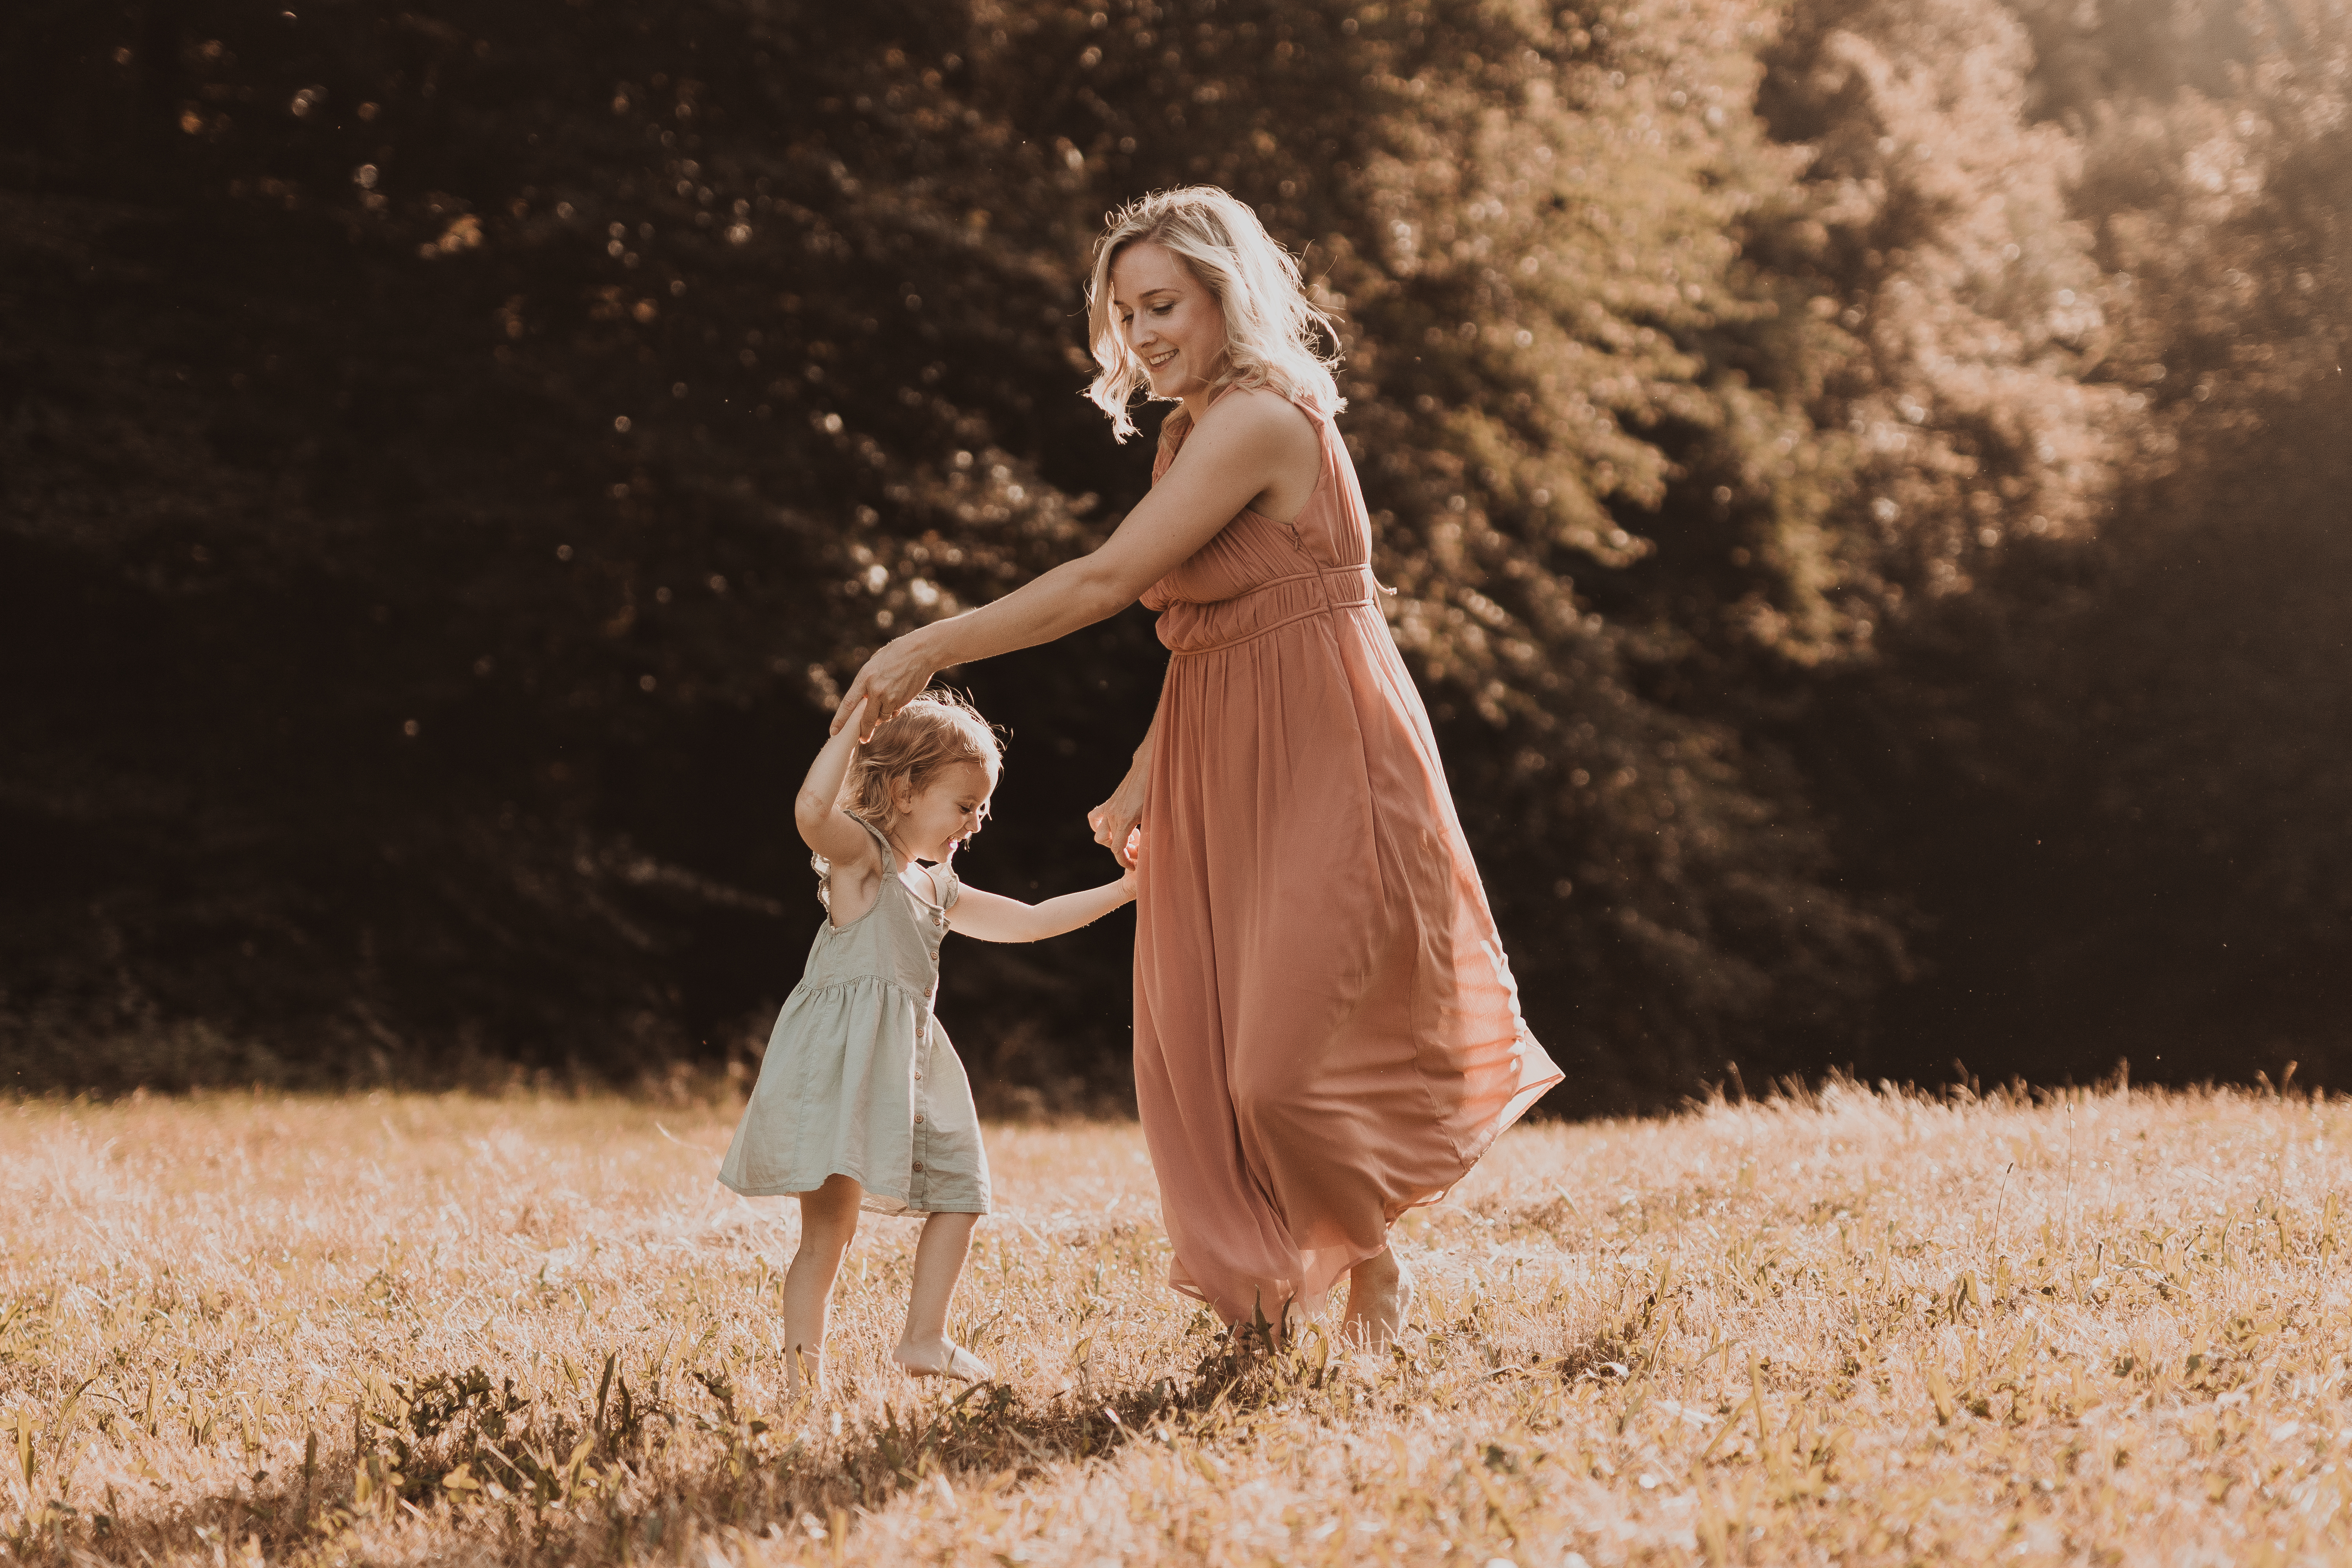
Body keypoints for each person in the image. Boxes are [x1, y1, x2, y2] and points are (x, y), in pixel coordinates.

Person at [832, 186, 1562, 1347]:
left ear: (1227, 294)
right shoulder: (1192, 428)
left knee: (1279, 1061)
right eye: (1124, 315)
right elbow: (1213, 627)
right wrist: (1147, 767)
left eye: (1161, 304)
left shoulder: (1264, 418)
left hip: (1327, 745)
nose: (1141, 335)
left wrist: (929, 642)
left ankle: (1367, 1254)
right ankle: (1269, 1302)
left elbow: (1103, 585)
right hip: (1220, 744)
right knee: (1212, 1046)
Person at [718, 690, 1135, 1394]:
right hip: (840, 1068)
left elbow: (1031, 920)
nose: (976, 822)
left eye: (982, 808)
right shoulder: (865, 861)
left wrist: (1131, 889)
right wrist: (855, 728)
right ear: (907, 790)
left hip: (907, 1066)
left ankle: (923, 1337)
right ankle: (799, 1387)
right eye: (964, 804)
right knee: (829, 1236)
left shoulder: (936, 890)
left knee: (962, 1188)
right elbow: (811, 814)